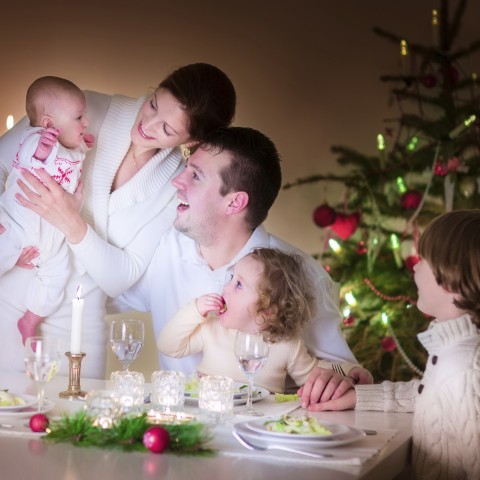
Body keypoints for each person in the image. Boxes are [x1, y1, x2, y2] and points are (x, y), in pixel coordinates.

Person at [0, 63, 236, 378]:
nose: (148, 123)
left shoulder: (176, 185)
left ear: (191, 140)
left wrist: (71, 222)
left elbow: (121, 276)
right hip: (14, 282)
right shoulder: (84, 107)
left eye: (167, 129)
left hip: (80, 316)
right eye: (153, 104)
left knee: (74, 420)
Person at [114, 126, 372, 387]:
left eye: (196, 176)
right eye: (186, 168)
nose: (178, 182)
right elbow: (104, 297)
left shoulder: (301, 276)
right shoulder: (160, 247)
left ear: (234, 203)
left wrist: (344, 377)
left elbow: (337, 378)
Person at [300, 210, 480, 479]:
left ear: (455, 280)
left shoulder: (466, 368)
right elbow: (425, 395)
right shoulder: (455, 351)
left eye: (425, 261)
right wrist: (358, 397)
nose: (415, 267)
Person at [157, 247, 361, 394]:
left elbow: (313, 374)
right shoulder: (212, 329)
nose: (225, 288)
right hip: (210, 413)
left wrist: (350, 371)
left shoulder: (286, 345)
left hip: (260, 423)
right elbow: (168, 346)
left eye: (238, 285)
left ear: (268, 311)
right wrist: (195, 310)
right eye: (231, 279)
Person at [0, 76, 94, 346]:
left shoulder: (70, 146)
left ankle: (31, 318)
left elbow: (76, 156)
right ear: (48, 125)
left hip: (50, 235)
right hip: (17, 224)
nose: (85, 121)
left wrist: (83, 142)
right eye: (79, 117)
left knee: (58, 275)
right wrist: (43, 148)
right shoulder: (35, 141)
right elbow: (32, 159)